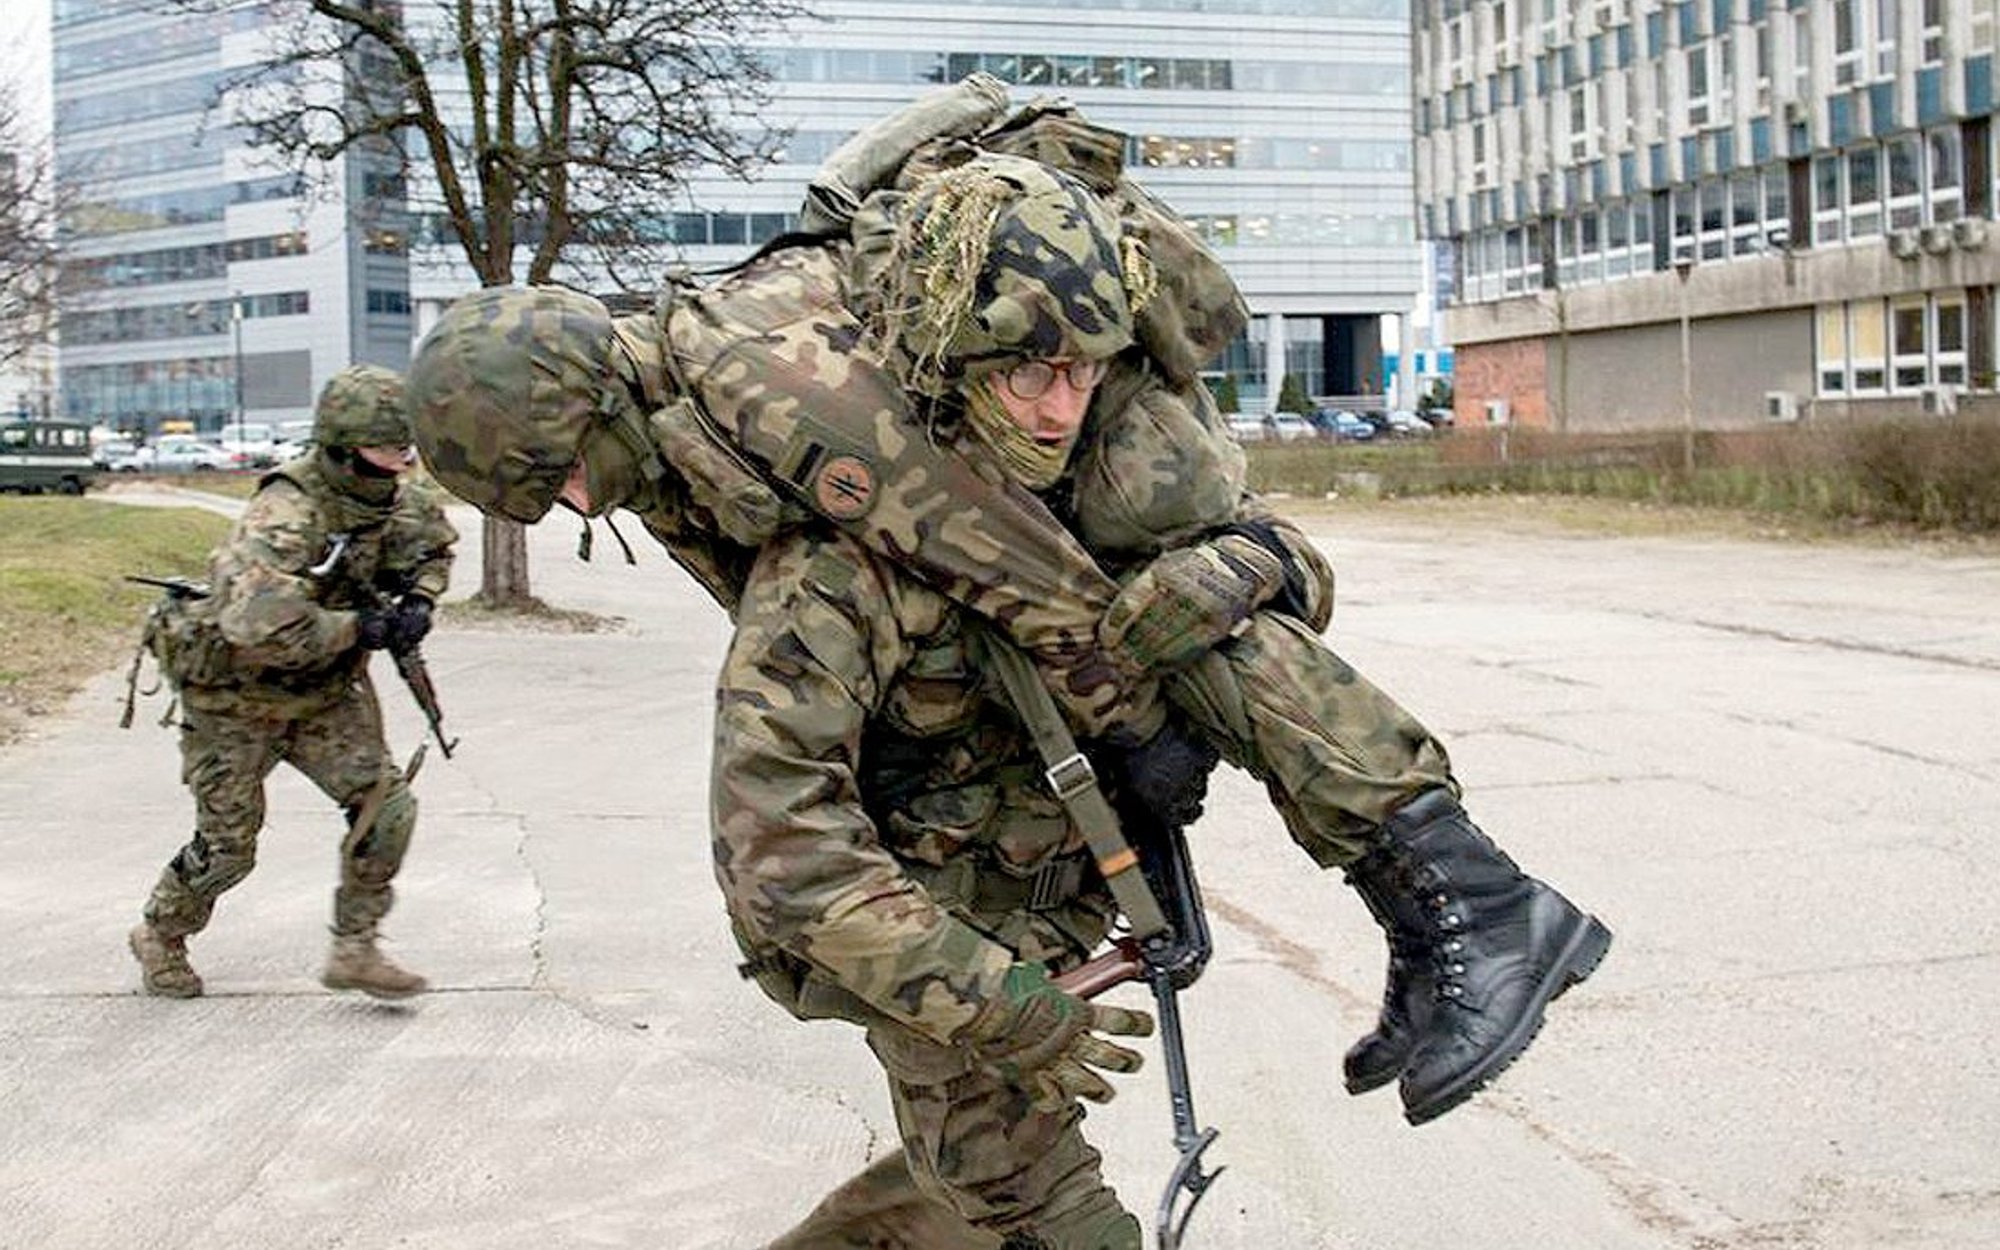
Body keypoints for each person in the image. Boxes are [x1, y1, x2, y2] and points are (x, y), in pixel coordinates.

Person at [406, 91, 1609, 1124]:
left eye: (553, 475)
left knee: (1168, 616)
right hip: (1001, 440)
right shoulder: (675, 427)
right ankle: (1431, 915)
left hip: (1053, 438)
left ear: (576, 412)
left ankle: (1472, 903)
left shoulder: (765, 382)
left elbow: (996, 556)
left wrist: (1134, 731)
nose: (568, 502)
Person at [125, 365, 457, 1001]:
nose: (403, 461)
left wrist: (419, 599)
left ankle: (355, 947)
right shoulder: (285, 513)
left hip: (323, 698)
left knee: (386, 810)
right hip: (234, 701)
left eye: (406, 447)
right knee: (228, 848)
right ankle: (161, 932)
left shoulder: (392, 497)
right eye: (390, 448)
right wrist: (358, 629)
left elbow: (431, 547)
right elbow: (255, 625)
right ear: (343, 444)